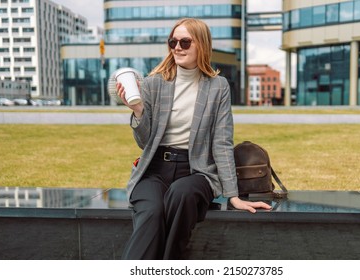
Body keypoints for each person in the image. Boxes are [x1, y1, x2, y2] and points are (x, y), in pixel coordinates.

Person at [116, 18, 271, 260]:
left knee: (182, 194)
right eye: (173, 41)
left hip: (196, 171)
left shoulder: (218, 87)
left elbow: (222, 142)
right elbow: (144, 142)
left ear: (202, 45)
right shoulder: (154, 83)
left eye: (185, 42)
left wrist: (233, 195)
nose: (177, 47)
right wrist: (138, 112)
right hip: (154, 169)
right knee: (152, 211)